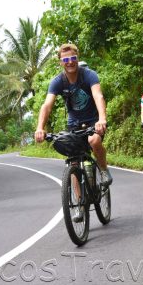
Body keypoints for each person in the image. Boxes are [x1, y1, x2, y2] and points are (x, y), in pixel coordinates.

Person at [34, 43, 113, 187]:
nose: (69, 62)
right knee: (74, 161)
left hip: (93, 121)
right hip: (73, 125)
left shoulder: (89, 75)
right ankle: (80, 208)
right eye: (65, 60)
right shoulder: (57, 81)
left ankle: (103, 170)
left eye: (73, 58)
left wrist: (102, 119)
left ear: (77, 58)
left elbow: (98, 96)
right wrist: (40, 127)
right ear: (60, 62)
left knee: (94, 141)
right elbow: (47, 105)